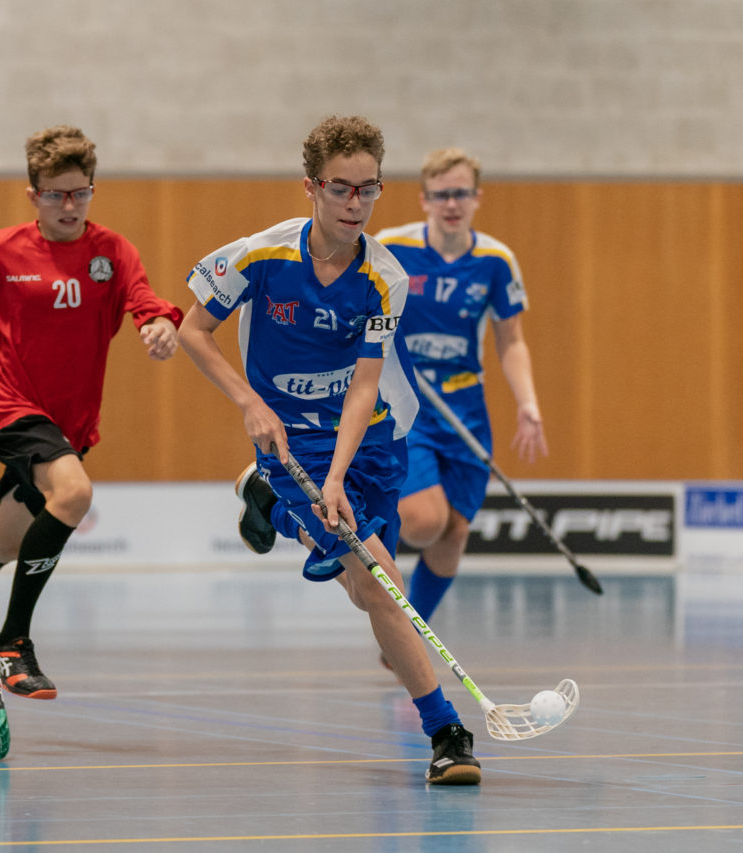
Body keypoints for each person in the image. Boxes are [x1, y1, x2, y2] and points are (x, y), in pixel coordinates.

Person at [178, 115, 481, 785]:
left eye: (368, 189)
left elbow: (365, 382)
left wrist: (342, 473)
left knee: (362, 587)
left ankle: (274, 510)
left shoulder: (384, 277)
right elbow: (193, 327)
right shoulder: (260, 256)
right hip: (293, 444)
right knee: (381, 581)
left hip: (370, 438)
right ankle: (447, 731)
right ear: (311, 186)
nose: (355, 204)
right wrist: (248, 401)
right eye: (341, 189)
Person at [0, 124, 183, 700]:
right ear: (33, 194)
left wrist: (159, 326)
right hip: (12, 406)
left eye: (80, 192)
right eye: (56, 193)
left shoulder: (112, 251)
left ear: (91, 190)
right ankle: (11, 643)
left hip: (72, 423)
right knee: (75, 494)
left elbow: (146, 302)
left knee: (8, 540)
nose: (69, 205)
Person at [373, 148, 547, 630]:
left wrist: (527, 404)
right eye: (442, 194)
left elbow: (511, 340)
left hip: (466, 406)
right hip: (408, 406)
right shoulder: (391, 247)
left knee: (454, 531)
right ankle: (358, 549)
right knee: (425, 521)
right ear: (425, 199)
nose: (452, 203)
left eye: (462, 194)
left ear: (477, 198)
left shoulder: (495, 260)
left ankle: (406, 638)